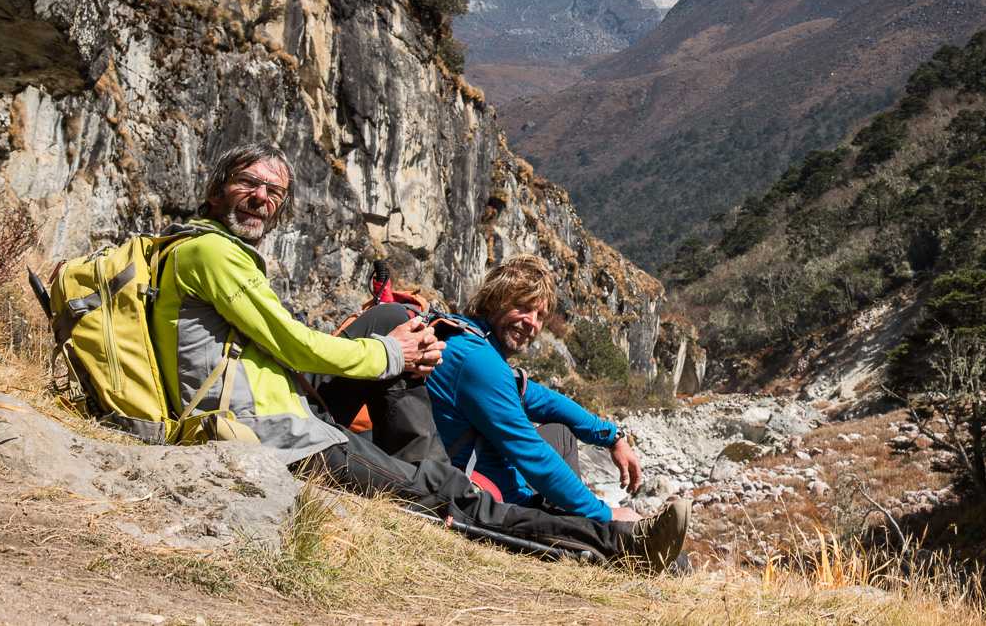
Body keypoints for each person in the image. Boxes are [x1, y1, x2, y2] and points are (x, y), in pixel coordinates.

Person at [149, 141, 688, 569]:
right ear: (216, 191)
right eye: (248, 183)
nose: (261, 196)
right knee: (444, 492)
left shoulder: (467, 341)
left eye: (274, 190)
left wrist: (609, 433)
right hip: (273, 433)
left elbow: (533, 395)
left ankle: (603, 533)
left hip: (289, 423)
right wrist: (392, 352)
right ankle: (617, 543)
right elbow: (295, 344)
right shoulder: (212, 252)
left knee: (506, 452)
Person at [424, 255, 663, 528]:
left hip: (488, 472)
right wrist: (605, 514)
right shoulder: (478, 362)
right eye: (523, 307)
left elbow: (546, 401)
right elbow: (532, 454)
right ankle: (586, 529)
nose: (532, 323)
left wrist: (613, 437)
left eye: (540, 315)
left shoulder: (470, 339)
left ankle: (576, 521)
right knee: (616, 527)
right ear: (492, 301)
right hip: (487, 497)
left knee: (561, 433)